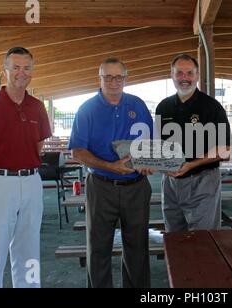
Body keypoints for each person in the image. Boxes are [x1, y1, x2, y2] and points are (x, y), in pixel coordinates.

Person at [0, 47, 52, 288]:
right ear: (5, 71)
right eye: (15, 67)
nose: (21, 73)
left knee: (29, 249)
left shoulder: (37, 106)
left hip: (31, 181)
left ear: (32, 71)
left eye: (26, 68)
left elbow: (38, 148)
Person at [69, 58, 154, 288]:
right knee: (98, 249)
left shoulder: (138, 105)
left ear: (126, 79)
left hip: (136, 186)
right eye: (108, 77)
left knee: (138, 249)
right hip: (101, 186)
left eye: (119, 77)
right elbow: (77, 152)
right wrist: (110, 166)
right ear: (100, 78)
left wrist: (149, 163)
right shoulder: (87, 109)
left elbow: (150, 146)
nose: (114, 82)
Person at [155, 54, 232, 232]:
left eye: (189, 73)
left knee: (204, 239)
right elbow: (160, 145)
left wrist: (191, 165)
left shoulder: (212, 107)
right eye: (179, 73)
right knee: (174, 236)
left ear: (197, 76)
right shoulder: (163, 107)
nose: (184, 78)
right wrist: (158, 164)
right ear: (172, 75)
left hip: (202, 180)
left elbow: (225, 150)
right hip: (171, 182)